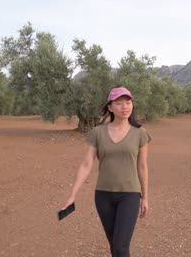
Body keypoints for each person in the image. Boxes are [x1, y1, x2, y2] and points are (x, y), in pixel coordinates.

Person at [61, 86, 151, 257]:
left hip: (130, 195)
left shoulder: (140, 133)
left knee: (120, 247)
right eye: (119, 103)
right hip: (103, 196)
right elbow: (86, 164)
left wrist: (145, 197)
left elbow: (142, 166)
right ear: (110, 107)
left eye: (128, 102)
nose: (125, 107)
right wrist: (72, 194)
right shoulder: (98, 132)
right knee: (115, 247)